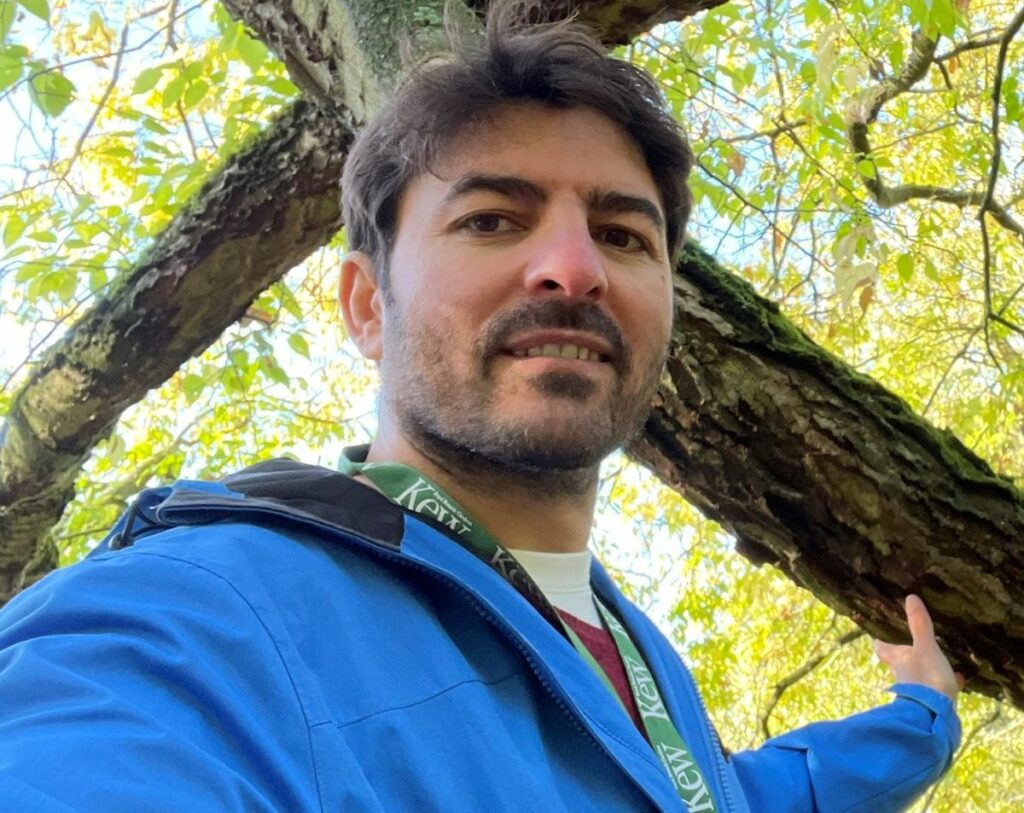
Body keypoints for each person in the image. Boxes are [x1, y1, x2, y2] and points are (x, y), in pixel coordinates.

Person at [0, 5, 962, 811]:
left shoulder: (637, 655)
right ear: (367, 306)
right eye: (493, 219)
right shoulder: (200, 620)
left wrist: (920, 723)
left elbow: (719, 795)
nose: (575, 268)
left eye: (624, 235)